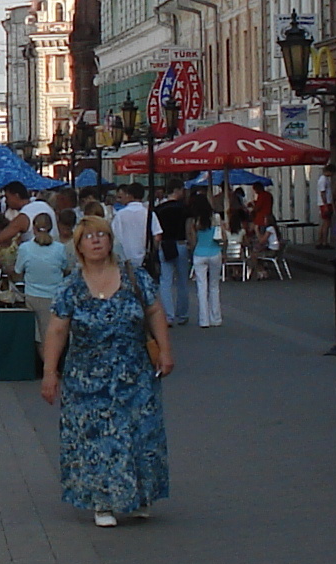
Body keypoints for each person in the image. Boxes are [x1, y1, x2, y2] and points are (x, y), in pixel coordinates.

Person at [41, 214, 174, 524]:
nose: (96, 241)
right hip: (87, 379)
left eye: (102, 235)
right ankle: (102, 500)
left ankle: (140, 496)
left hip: (134, 372)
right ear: (78, 247)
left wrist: (165, 350)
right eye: (89, 237)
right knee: (95, 438)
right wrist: (50, 372)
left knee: (140, 434)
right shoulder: (71, 287)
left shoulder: (134, 277)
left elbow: (154, 311)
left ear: (111, 241)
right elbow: (57, 330)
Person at [16, 208, 75, 339]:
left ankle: (45, 359)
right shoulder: (60, 248)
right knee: (54, 335)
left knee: (39, 337)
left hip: (33, 298)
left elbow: (18, 270)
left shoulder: (25, 248)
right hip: (55, 297)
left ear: (33, 228)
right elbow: (66, 269)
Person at [151, 182, 194, 325]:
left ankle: (168, 316)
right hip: (181, 243)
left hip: (165, 244)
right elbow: (189, 228)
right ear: (177, 190)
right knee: (182, 281)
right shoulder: (185, 208)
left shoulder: (158, 209)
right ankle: (182, 314)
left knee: (165, 281)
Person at [183, 187, 225, 328]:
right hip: (214, 252)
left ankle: (204, 320)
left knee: (201, 287)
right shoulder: (216, 218)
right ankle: (216, 318)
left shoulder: (194, 221)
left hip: (199, 253)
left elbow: (192, 240)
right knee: (214, 286)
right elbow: (223, 237)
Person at [112, 183, 152, 272]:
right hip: (144, 258)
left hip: (125, 258)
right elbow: (157, 235)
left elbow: (114, 234)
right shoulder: (149, 214)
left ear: (130, 196)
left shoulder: (120, 214)